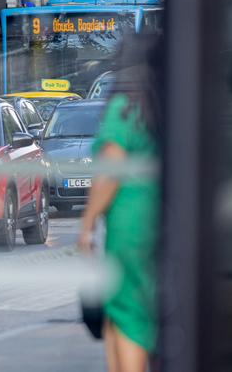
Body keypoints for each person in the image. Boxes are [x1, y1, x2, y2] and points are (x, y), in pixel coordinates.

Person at [78, 34, 160, 372]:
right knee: (133, 314)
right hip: (156, 222)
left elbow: (111, 165)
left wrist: (86, 225)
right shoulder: (158, 106)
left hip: (128, 226)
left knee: (125, 315)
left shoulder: (125, 106)